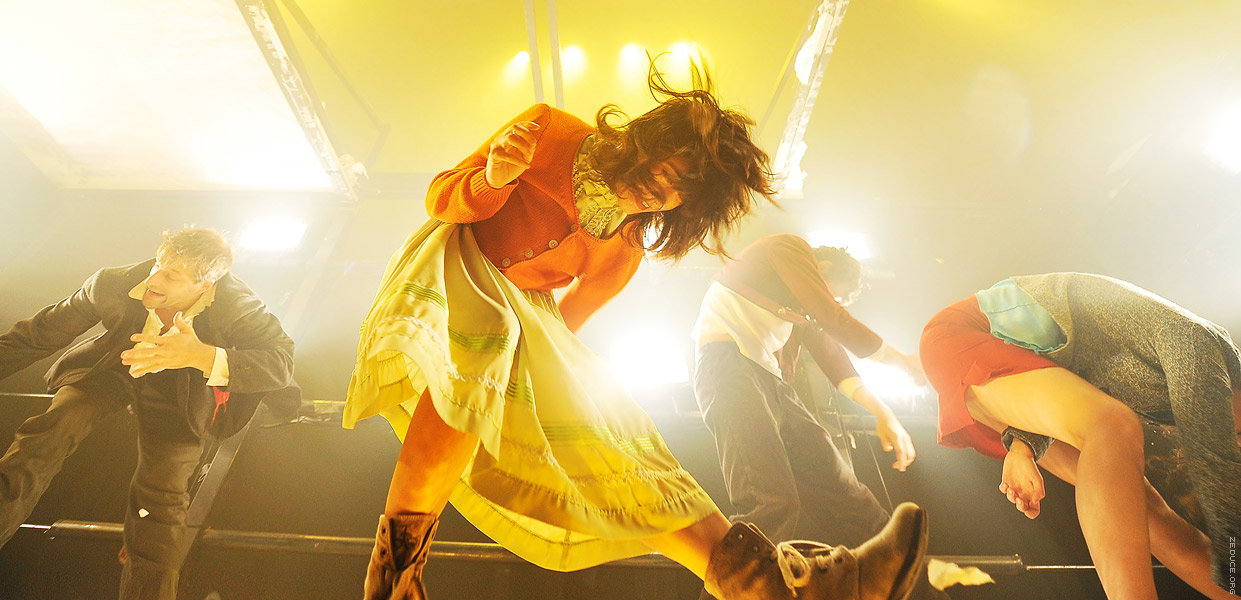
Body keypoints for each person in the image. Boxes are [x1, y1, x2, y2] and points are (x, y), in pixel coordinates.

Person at [346, 60, 930, 600]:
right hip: (454, 267)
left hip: (522, 319)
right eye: (667, 164)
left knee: (626, 434)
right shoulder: (549, 131)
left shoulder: (622, 254)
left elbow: (560, 333)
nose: (664, 186)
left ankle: (780, 586)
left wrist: (564, 411)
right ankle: (395, 577)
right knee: (485, 345)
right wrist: (495, 179)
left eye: (683, 188)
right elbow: (441, 199)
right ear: (647, 140)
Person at [0, 227, 295, 599]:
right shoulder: (111, 284)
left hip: (182, 390)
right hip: (112, 367)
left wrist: (202, 356)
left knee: (162, 494)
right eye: (158, 264)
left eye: (171, 275)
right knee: (51, 430)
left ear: (205, 285)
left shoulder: (238, 306)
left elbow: (281, 362)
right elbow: (35, 336)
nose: (153, 280)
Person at [919, 273, 1241, 600]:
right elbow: (1219, 475)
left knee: (1146, 510)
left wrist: (1022, 445)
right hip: (965, 333)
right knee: (1113, 424)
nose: (1236, 445)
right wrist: (1235, 560)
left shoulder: (1201, 386)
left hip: (1022, 364)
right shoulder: (1201, 354)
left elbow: (1069, 383)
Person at [692, 234, 945, 600]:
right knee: (769, 503)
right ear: (820, 270)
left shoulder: (797, 309)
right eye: (832, 294)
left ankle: (923, 596)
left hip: (772, 383)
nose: (826, 304)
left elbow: (833, 358)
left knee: (847, 497)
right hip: (726, 365)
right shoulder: (787, 248)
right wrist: (901, 361)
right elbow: (831, 317)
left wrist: (883, 411)